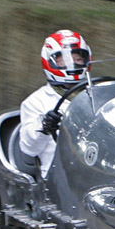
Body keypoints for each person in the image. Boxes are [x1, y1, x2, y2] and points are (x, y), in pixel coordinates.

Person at [19, 29, 92, 177]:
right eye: (63, 60)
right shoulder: (35, 101)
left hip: (95, 168)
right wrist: (44, 126)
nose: (72, 64)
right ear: (50, 62)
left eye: (77, 59)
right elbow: (28, 149)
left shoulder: (98, 92)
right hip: (58, 175)